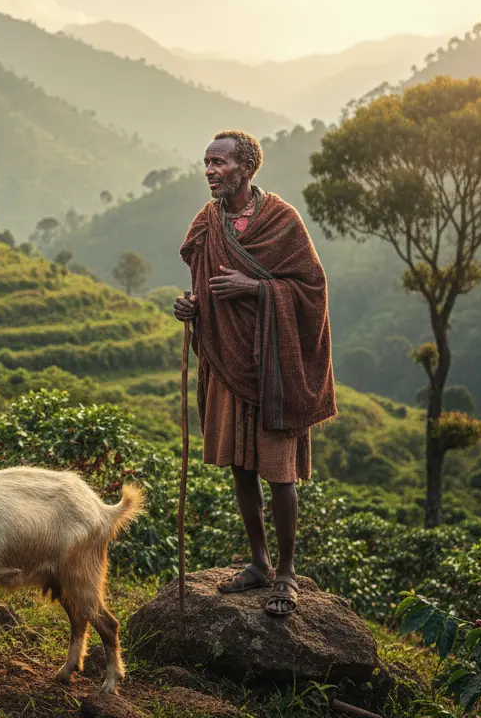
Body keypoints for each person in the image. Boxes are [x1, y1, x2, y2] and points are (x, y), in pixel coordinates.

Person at [174, 130, 336, 616]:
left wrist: (256, 287)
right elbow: (202, 286)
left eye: (219, 162)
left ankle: (285, 572)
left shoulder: (281, 220)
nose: (209, 170)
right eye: (205, 162)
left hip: (274, 371)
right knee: (241, 469)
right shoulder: (208, 222)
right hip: (227, 363)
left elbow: (310, 288)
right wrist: (192, 306)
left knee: (278, 474)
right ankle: (259, 563)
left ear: (245, 167)